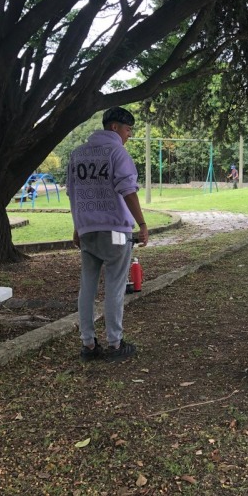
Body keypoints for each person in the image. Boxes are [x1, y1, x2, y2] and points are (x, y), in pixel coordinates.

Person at [67, 106, 149, 362]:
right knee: (114, 287)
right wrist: (142, 224)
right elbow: (128, 190)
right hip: (115, 231)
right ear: (115, 127)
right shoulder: (117, 152)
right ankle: (115, 343)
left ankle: (88, 345)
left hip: (87, 231)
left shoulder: (77, 154)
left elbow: (74, 192)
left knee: (87, 287)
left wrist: (77, 227)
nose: (128, 136)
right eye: (127, 130)